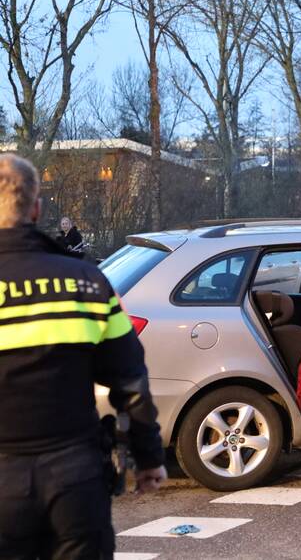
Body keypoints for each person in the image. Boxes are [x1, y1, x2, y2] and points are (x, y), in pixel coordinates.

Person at [0, 153, 166, 559]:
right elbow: (131, 379)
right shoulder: (88, 281)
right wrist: (148, 457)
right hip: (75, 478)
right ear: (37, 208)